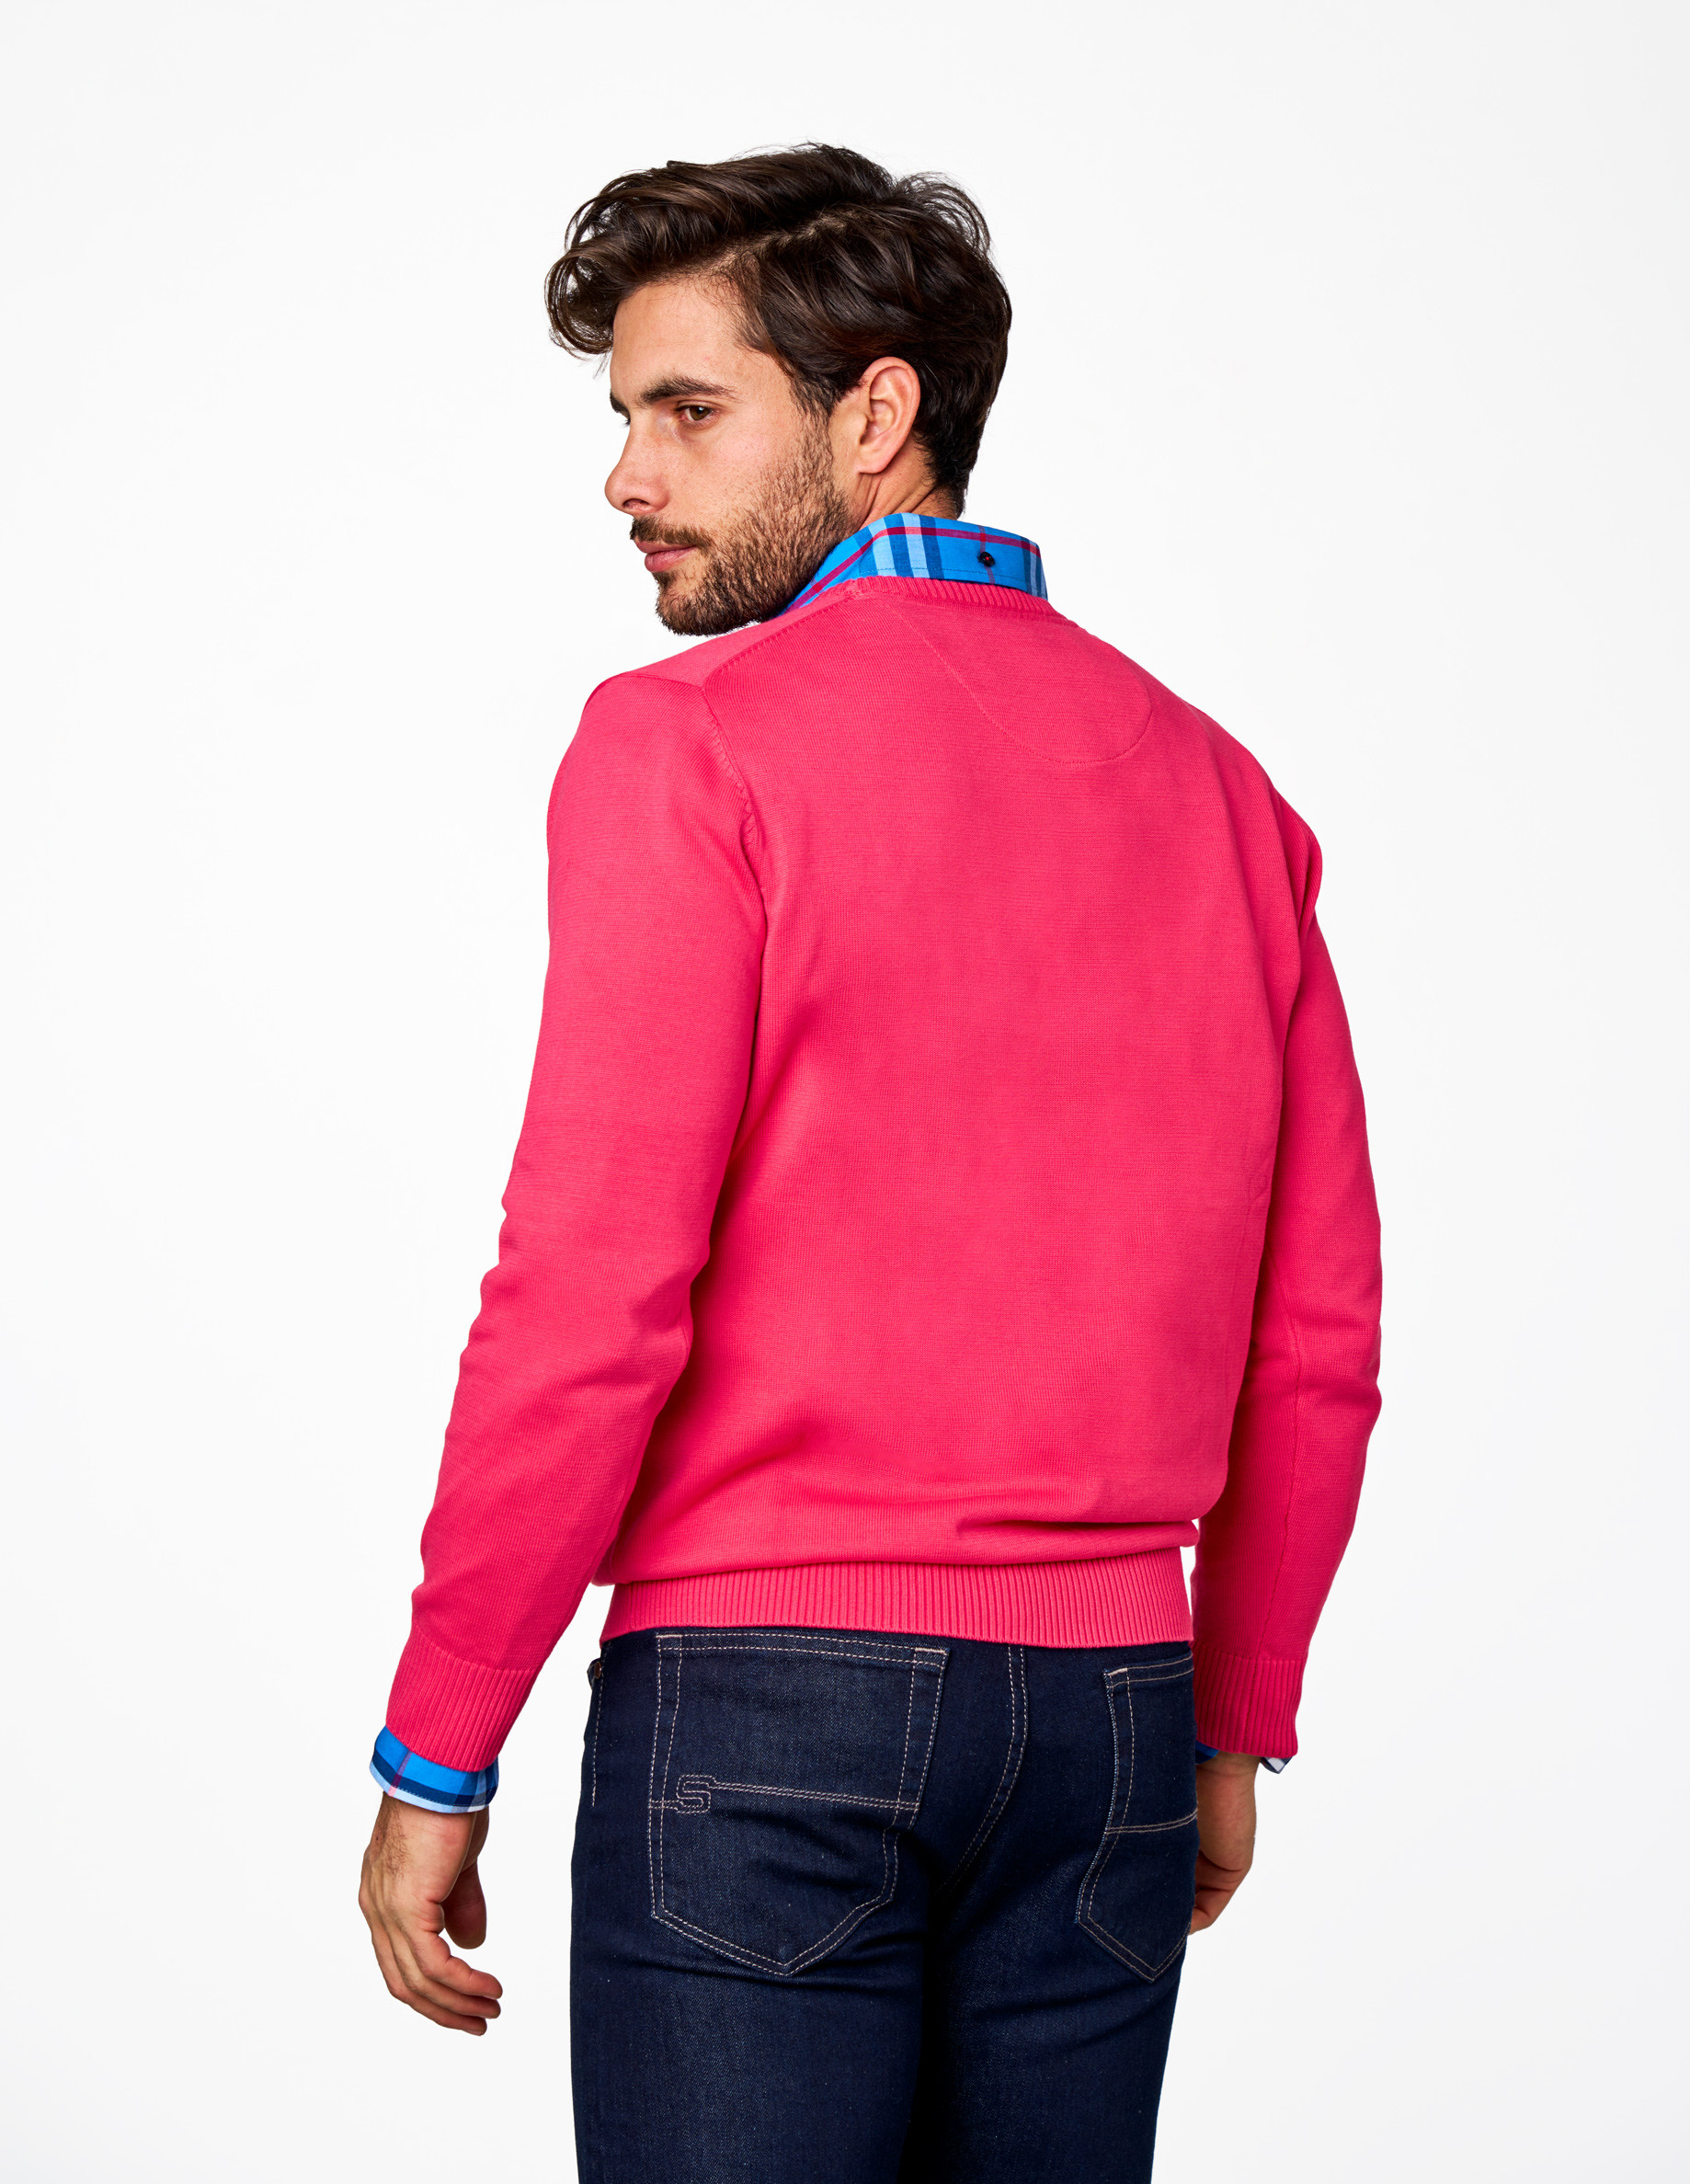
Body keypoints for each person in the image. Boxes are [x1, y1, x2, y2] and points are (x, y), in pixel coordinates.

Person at [358, 144, 1382, 2184]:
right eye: (625, 416)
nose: (627, 476)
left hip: (765, 1717)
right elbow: (1314, 1334)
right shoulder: (1220, 790)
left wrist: (438, 1743)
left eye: (687, 410)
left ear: (875, 412)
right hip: (1110, 1721)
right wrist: (1230, 1711)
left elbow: (589, 1298)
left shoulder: (691, 743)